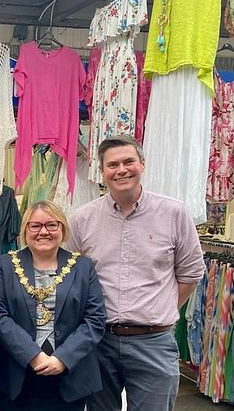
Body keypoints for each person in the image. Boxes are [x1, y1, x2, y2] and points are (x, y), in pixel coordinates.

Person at [66, 135, 206, 411]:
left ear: (142, 164)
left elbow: (190, 274)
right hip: (98, 342)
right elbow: (69, 276)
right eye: (112, 164)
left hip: (153, 342)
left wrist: (158, 308)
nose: (121, 170)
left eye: (128, 162)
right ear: (102, 171)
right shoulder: (82, 219)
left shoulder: (174, 213)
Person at [0, 200, 106, 411]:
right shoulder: (5, 265)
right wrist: (33, 355)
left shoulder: (83, 267)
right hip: (16, 374)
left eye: (51, 225)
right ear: (25, 230)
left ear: (62, 228)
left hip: (69, 375)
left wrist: (62, 358)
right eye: (35, 225)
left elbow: (94, 320)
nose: (43, 232)